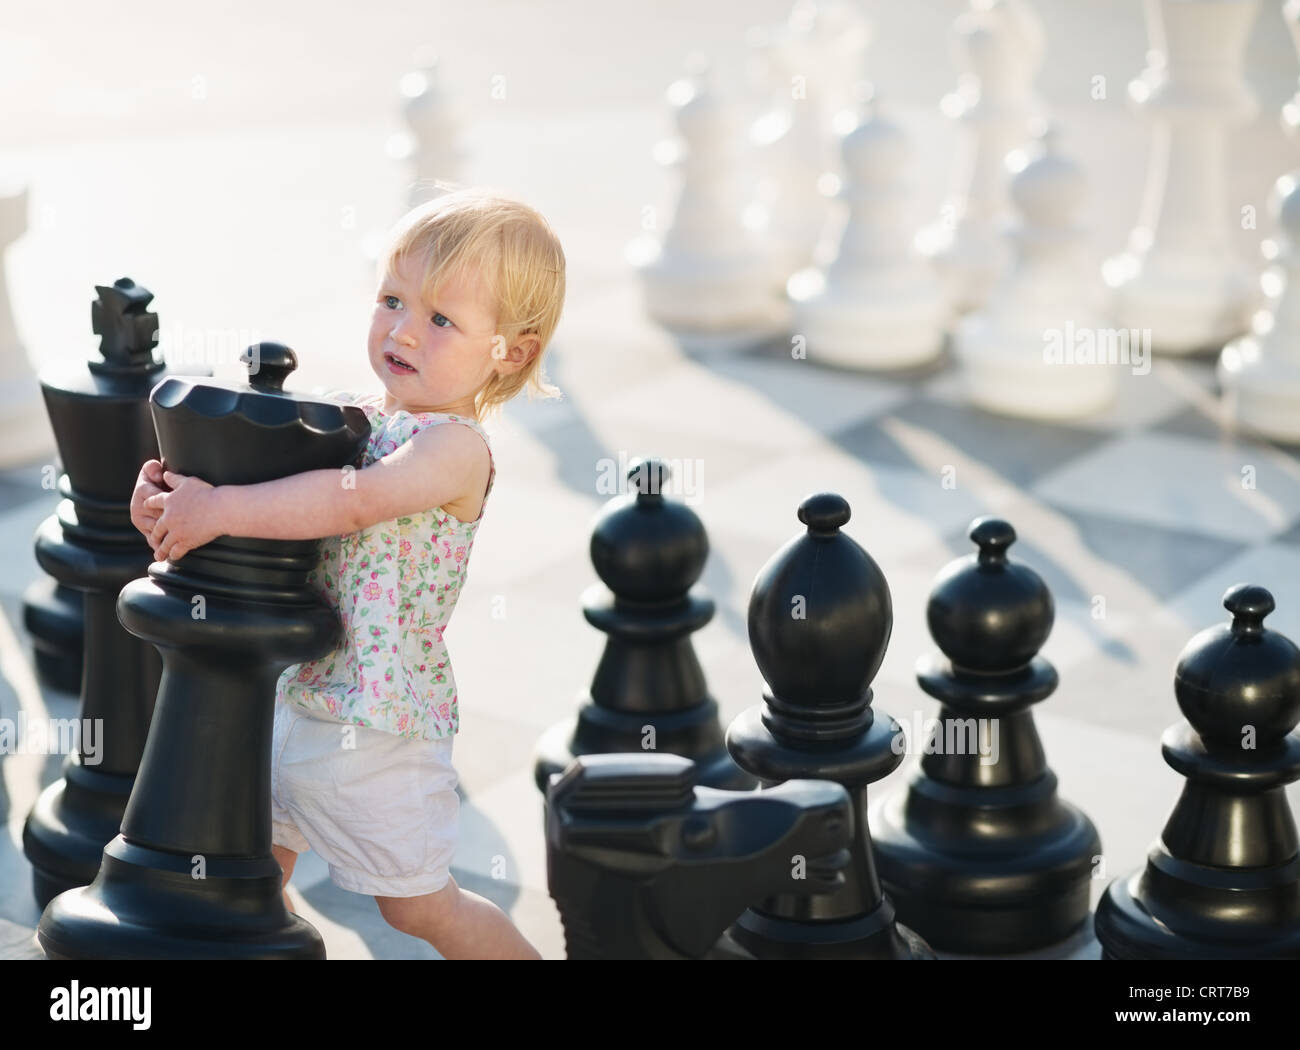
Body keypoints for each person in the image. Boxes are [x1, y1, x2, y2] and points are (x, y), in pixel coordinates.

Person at [128, 187, 566, 959]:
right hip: (294, 695)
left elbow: (351, 502)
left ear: (511, 351)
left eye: (441, 318)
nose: (402, 328)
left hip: (377, 725)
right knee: (245, 873)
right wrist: (174, 505)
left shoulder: (453, 449)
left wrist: (223, 505)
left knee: (420, 910)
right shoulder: (360, 415)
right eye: (392, 298)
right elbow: (272, 504)